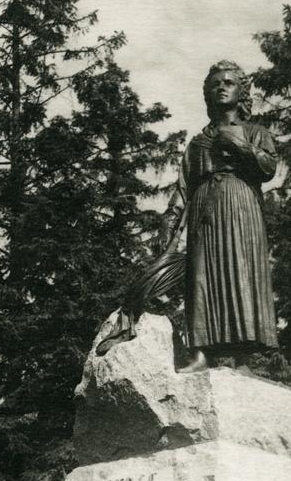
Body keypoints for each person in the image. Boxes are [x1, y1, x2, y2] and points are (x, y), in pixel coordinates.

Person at [96, 61, 278, 370]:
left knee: (240, 274)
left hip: (240, 205)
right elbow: (183, 186)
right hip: (204, 210)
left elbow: (268, 168)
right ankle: (201, 354)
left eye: (229, 82)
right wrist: (170, 219)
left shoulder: (254, 132)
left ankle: (243, 357)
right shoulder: (197, 142)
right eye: (215, 84)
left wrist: (239, 145)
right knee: (201, 277)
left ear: (242, 92)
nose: (221, 87)